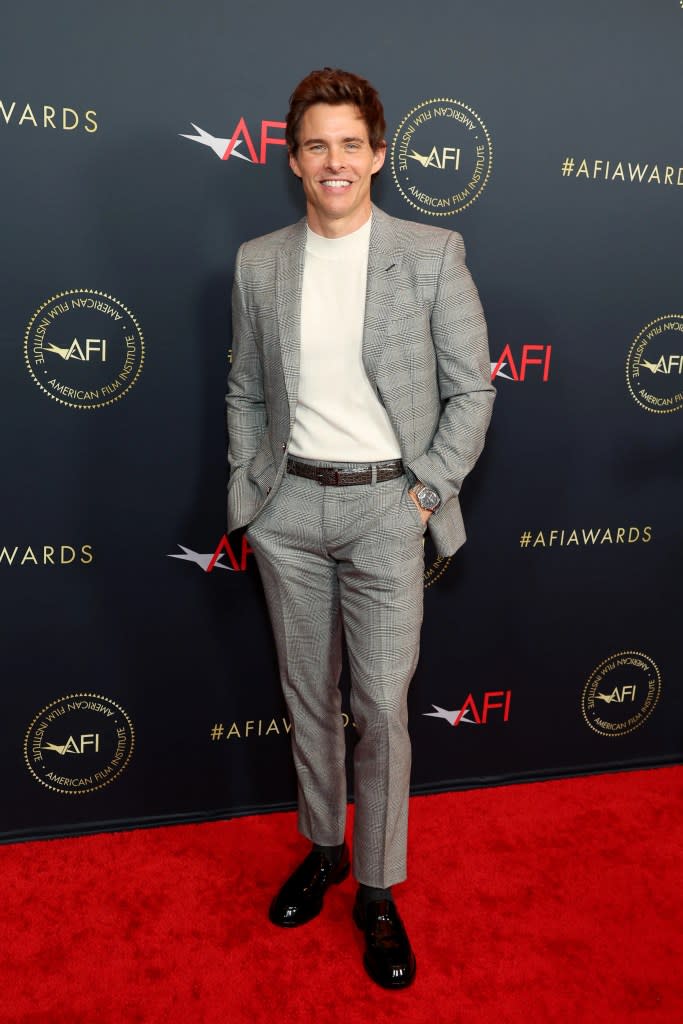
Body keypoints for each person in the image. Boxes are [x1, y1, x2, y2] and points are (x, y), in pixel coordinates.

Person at [226, 67, 494, 989]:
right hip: (288, 511)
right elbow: (245, 389)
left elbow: (473, 390)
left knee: (380, 709)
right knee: (309, 700)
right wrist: (247, 496)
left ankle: (376, 887)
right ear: (292, 160)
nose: (332, 161)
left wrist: (422, 496)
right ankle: (322, 849)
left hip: (389, 506)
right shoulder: (259, 262)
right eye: (314, 145)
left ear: (378, 154)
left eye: (350, 143)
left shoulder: (429, 252)